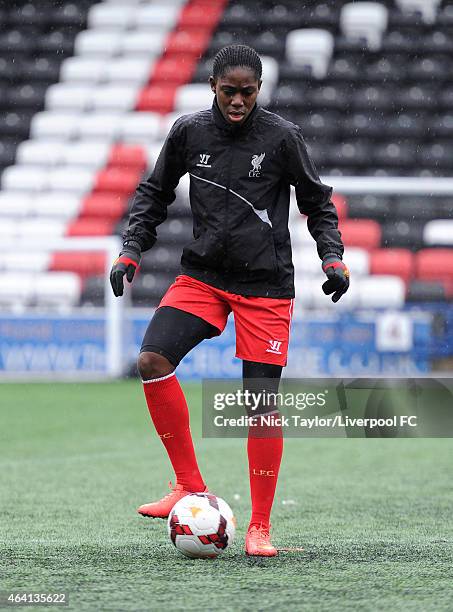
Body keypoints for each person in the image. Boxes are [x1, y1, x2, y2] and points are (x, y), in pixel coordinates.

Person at [110, 44, 349, 557]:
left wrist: (332, 257)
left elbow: (318, 203)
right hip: (203, 277)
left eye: (247, 92)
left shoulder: (282, 137)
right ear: (213, 88)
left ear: (259, 89)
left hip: (265, 286)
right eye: (228, 91)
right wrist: (131, 250)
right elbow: (153, 193)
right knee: (152, 359)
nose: (237, 101)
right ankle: (188, 485)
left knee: (258, 405)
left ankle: (260, 527)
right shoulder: (189, 131)